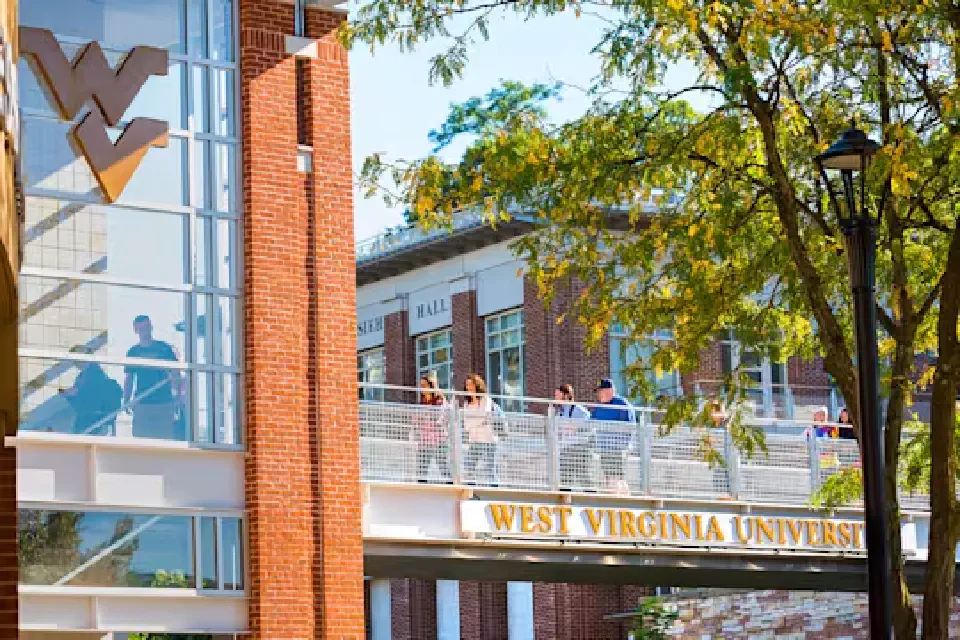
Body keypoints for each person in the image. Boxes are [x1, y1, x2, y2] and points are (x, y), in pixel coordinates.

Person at [123, 315, 183, 440]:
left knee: (165, 438)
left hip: (164, 402)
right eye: (142, 328)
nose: (146, 331)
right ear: (136, 330)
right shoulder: (133, 352)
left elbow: (175, 372)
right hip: (143, 402)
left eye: (147, 327)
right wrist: (126, 400)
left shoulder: (164, 348)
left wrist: (177, 395)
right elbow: (129, 378)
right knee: (141, 438)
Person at [590, 378, 636, 493]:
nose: (599, 394)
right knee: (609, 477)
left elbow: (629, 426)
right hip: (604, 448)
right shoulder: (599, 407)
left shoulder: (621, 404)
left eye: (600, 391)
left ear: (609, 391)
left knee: (617, 478)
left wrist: (625, 445)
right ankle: (616, 500)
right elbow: (589, 422)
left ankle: (622, 501)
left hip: (618, 448)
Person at [461, 374, 503, 484]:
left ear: (477, 385)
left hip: (488, 439)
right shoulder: (467, 403)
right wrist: (477, 421)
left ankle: (495, 492)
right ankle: (472, 491)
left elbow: (485, 416)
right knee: (468, 467)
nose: (468, 387)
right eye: (467, 385)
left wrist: (474, 421)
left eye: (471, 384)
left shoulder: (485, 399)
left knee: (490, 470)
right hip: (474, 440)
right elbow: (466, 424)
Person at [61, 363, 122, 435]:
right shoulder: (85, 379)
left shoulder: (88, 381)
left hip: (92, 422)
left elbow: (81, 401)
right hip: (97, 422)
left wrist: (70, 395)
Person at [554, 384, 593, 490]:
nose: (555, 398)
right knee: (565, 479)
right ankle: (565, 504)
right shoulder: (560, 412)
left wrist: (576, 426)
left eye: (558, 395)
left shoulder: (577, 408)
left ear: (566, 395)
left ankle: (592, 501)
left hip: (579, 448)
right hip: (565, 448)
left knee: (583, 476)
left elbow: (590, 421)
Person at [415, 373, 450, 481]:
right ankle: (421, 490)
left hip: (439, 440)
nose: (422, 388)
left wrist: (426, 417)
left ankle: (451, 486)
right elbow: (417, 419)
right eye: (421, 386)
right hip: (424, 440)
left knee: (443, 466)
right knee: (421, 469)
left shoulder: (439, 400)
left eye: (424, 385)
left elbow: (438, 418)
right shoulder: (422, 402)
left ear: (431, 386)